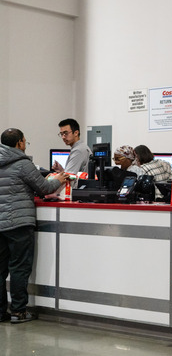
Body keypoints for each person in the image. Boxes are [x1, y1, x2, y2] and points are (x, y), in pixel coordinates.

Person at [0, 128, 69, 323]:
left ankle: (0, 312)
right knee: (19, 268)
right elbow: (44, 188)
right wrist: (59, 179)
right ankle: (18, 311)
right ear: (20, 143)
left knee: (0, 269)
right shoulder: (23, 163)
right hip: (19, 223)